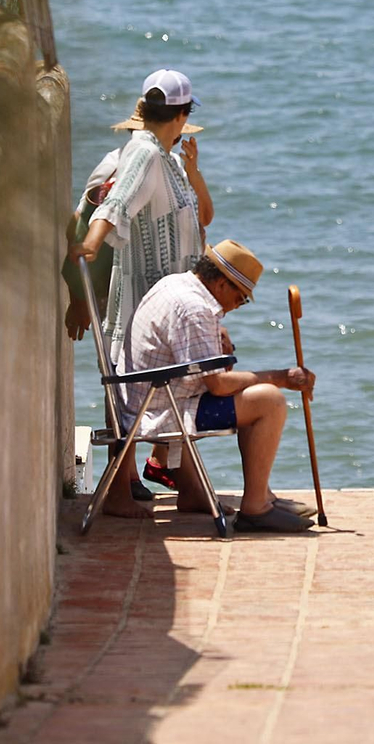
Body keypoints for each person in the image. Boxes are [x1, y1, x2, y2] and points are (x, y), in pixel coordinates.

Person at [103, 239, 316, 534]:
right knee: (269, 400)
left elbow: (205, 368)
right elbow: (217, 384)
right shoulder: (195, 309)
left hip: (143, 396)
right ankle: (256, 508)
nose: (234, 308)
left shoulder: (175, 284)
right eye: (240, 298)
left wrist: (221, 344)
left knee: (254, 392)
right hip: (157, 411)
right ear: (221, 284)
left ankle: (240, 495)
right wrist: (280, 377)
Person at [69, 70, 215, 493]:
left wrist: (194, 170)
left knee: (168, 384)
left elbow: (200, 218)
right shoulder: (142, 154)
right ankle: (120, 488)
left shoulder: (168, 160)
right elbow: (109, 206)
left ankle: (167, 479)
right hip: (146, 296)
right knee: (139, 388)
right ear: (182, 116)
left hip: (173, 298)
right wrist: (91, 248)